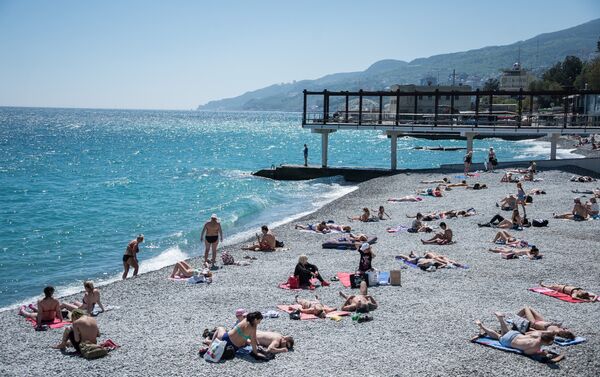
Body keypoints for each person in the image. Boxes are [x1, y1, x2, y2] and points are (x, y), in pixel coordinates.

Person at [475, 312, 561, 362]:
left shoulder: (537, 334)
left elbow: (527, 334)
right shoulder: (536, 346)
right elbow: (526, 352)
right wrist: (540, 353)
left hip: (515, 334)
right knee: (498, 336)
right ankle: (482, 326)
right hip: (509, 341)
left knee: (507, 332)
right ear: (545, 342)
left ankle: (500, 319)